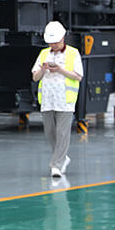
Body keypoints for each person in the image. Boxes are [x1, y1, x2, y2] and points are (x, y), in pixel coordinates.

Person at [32, 20, 83, 178]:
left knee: (62, 133)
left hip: (65, 100)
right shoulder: (43, 54)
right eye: (50, 43)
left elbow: (78, 76)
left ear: (63, 38)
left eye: (55, 42)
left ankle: (56, 165)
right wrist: (43, 69)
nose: (53, 45)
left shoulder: (73, 53)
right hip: (48, 100)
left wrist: (60, 70)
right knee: (50, 132)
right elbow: (35, 77)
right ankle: (62, 157)